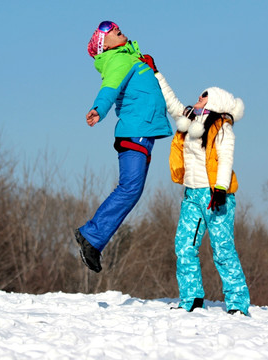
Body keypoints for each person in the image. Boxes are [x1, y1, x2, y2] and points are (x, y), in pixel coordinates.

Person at [144, 57, 250, 315]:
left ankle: (238, 303)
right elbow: (172, 103)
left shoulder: (223, 130)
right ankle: (191, 298)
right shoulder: (192, 122)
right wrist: (156, 73)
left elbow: (225, 160)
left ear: (214, 103)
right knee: (184, 246)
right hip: (192, 194)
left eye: (204, 97)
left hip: (216, 196)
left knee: (223, 250)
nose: (198, 99)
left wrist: (221, 190)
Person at [75, 21, 172, 273]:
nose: (116, 27)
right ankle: (91, 237)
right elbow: (110, 87)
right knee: (130, 187)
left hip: (143, 130)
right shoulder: (117, 59)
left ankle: (93, 237)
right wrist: (99, 109)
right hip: (136, 130)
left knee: (133, 189)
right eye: (108, 30)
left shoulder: (133, 58)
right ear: (103, 45)